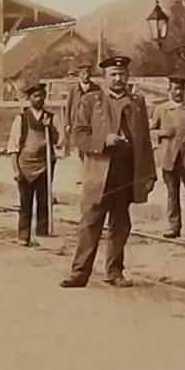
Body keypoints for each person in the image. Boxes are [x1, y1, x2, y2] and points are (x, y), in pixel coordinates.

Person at [61, 55, 156, 288]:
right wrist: (103, 141)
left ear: (128, 76)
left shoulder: (137, 103)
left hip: (125, 172)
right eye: (113, 74)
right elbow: (78, 136)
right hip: (100, 172)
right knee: (90, 222)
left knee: (121, 223)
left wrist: (149, 173)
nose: (118, 78)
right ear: (104, 77)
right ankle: (79, 273)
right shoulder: (91, 101)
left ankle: (114, 271)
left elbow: (144, 141)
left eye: (122, 74)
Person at [3, 83, 59, 245]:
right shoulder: (21, 118)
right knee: (25, 202)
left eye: (41, 95)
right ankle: (23, 235)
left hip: (45, 165)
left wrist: (50, 128)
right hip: (25, 166)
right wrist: (16, 170)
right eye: (36, 96)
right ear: (30, 99)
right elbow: (13, 146)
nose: (39, 99)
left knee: (43, 201)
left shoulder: (50, 117)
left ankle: (42, 233)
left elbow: (56, 140)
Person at [151, 74, 185, 238]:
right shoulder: (161, 109)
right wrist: (163, 133)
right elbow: (150, 131)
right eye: (175, 88)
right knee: (172, 193)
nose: (178, 92)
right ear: (169, 90)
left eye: (181, 89)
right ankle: (174, 226)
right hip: (169, 157)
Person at [63, 64, 101, 158]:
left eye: (88, 73)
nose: (86, 76)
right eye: (83, 73)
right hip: (76, 121)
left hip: (90, 121)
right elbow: (68, 106)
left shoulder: (96, 88)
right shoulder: (73, 90)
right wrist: (67, 123)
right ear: (79, 75)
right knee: (77, 143)